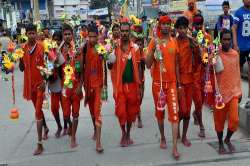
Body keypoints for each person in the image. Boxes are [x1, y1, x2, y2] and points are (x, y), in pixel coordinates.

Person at [146, 15, 180, 159]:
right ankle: (162, 137)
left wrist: (178, 84)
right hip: (157, 85)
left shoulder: (174, 42)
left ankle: (174, 148)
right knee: (160, 114)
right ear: (159, 26)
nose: (166, 26)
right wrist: (153, 49)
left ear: (170, 26)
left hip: (172, 84)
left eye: (168, 24)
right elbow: (147, 64)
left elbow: (176, 64)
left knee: (174, 114)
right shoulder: (154, 41)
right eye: (163, 24)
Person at [109, 17, 141, 148]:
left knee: (131, 112)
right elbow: (110, 67)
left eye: (126, 31)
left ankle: (128, 134)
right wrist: (109, 60)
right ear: (119, 32)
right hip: (120, 87)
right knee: (121, 112)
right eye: (122, 31)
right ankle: (123, 133)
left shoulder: (136, 48)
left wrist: (141, 86)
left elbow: (138, 67)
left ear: (130, 31)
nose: (124, 33)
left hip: (133, 86)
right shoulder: (114, 47)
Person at [19, 24, 49, 155]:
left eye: (33, 33)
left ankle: (39, 144)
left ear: (36, 34)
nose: (31, 35)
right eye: (29, 33)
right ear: (26, 34)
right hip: (29, 85)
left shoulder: (43, 47)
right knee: (38, 109)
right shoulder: (22, 48)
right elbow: (21, 68)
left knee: (37, 112)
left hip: (40, 85)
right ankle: (46, 128)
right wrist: (19, 58)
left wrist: (45, 81)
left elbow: (50, 64)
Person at [214, 29, 242, 154]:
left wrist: (239, 91)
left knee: (234, 120)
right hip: (219, 94)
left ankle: (227, 139)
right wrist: (209, 53)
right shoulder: (215, 53)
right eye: (224, 39)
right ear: (220, 40)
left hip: (233, 93)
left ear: (231, 40)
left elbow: (237, 73)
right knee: (219, 122)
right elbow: (207, 65)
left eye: (228, 39)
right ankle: (220, 143)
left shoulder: (235, 54)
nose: (226, 41)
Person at [175, 16, 200, 147]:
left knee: (187, 110)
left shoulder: (192, 41)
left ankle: (184, 136)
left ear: (187, 28)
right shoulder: (173, 42)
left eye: (185, 27)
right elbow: (174, 64)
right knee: (181, 110)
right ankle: (177, 130)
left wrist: (196, 49)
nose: (183, 30)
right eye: (180, 28)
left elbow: (199, 61)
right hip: (178, 81)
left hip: (190, 80)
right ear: (177, 29)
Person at [82, 23, 104, 153]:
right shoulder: (84, 48)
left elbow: (108, 65)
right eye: (90, 37)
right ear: (87, 37)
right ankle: (95, 130)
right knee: (91, 112)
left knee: (97, 112)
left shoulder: (102, 49)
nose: (92, 39)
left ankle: (98, 143)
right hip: (88, 85)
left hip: (98, 86)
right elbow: (80, 67)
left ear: (98, 36)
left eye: (94, 37)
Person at [60, 24, 83, 148]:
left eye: (69, 34)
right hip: (65, 87)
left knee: (75, 113)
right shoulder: (58, 49)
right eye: (65, 34)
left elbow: (82, 69)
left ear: (72, 35)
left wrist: (80, 85)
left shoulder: (78, 49)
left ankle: (73, 137)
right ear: (63, 36)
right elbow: (53, 66)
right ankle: (69, 126)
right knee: (65, 114)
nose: (68, 36)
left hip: (75, 86)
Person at [232, 0, 250, 108]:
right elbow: (234, 28)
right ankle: (237, 94)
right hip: (240, 47)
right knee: (237, 71)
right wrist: (235, 44)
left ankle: (249, 97)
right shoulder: (238, 12)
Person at [48, 31, 66, 138]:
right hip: (54, 84)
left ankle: (66, 126)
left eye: (59, 39)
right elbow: (47, 68)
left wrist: (58, 59)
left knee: (65, 108)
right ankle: (59, 126)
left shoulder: (65, 50)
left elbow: (65, 67)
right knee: (54, 108)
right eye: (55, 39)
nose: (57, 41)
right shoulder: (49, 51)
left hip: (63, 84)